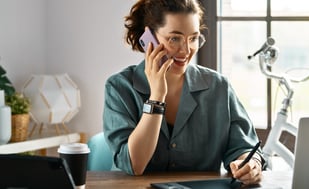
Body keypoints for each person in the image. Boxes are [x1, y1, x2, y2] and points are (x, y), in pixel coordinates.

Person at [103, 0, 265, 185]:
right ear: (150, 38)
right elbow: (135, 165)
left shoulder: (218, 87)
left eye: (193, 38)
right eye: (174, 38)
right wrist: (157, 96)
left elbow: (243, 146)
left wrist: (250, 164)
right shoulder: (119, 87)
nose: (186, 50)